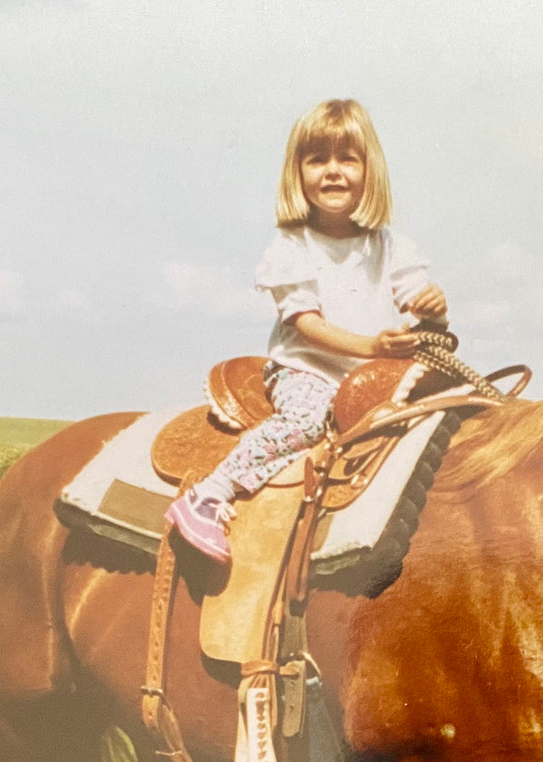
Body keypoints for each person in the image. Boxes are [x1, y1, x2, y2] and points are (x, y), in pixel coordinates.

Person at [166, 98, 448, 563]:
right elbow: (305, 324)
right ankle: (212, 492)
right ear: (297, 174)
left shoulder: (392, 246)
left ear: (369, 170)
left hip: (376, 380)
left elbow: (419, 300)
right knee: (306, 421)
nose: (333, 171)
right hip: (308, 372)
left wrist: (433, 309)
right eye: (318, 159)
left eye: (347, 159)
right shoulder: (292, 247)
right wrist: (371, 346)